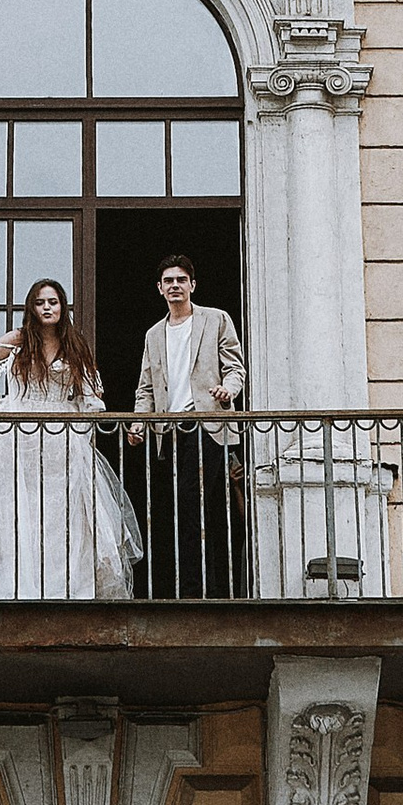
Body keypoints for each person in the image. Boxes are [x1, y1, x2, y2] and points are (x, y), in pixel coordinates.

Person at [0, 280, 142, 602]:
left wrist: (86, 427)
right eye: (40, 302)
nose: (47, 307)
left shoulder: (75, 345)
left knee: (64, 520)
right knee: (19, 516)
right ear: (32, 308)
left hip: (61, 444)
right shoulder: (17, 341)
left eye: (53, 301)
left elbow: (92, 396)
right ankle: (17, 591)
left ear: (62, 306)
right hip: (16, 442)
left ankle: (65, 593)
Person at [130, 252, 247, 598]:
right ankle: (192, 587)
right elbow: (146, 388)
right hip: (172, 432)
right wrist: (139, 423)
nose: (175, 286)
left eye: (181, 280)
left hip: (209, 425)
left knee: (203, 509)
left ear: (192, 285)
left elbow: (235, 367)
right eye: (169, 281)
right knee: (184, 511)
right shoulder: (154, 334)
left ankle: (206, 591)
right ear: (159, 288)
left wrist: (229, 389)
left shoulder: (216, 319)